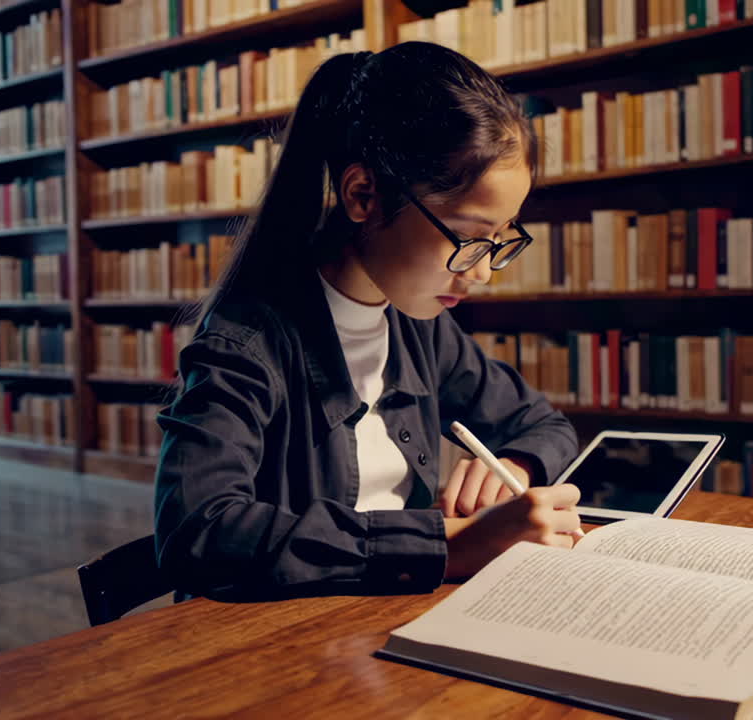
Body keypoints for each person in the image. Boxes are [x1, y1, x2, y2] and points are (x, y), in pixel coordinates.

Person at [153, 42, 581, 601]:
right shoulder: (245, 345)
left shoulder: (418, 325)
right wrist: (451, 544)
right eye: (470, 237)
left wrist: (514, 465)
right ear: (364, 195)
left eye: (500, 239)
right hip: (279, 650)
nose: (482, 275)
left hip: (383, 619)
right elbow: (197, 531)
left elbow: (545, 425)